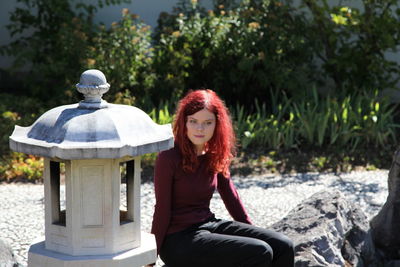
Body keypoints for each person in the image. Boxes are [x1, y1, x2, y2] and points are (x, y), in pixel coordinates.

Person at [149, 89, 294, 267]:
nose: (199, 129)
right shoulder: (169, 156)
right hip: (178, 240)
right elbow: (162, 209)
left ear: (217, 124)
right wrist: (150, 256)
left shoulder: (214, 152)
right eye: (193, 121)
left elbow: (230, 196)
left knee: (283, 246)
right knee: (260, 251)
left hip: (208, 225)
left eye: (207, 122)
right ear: (184, 122)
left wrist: (250, 230)